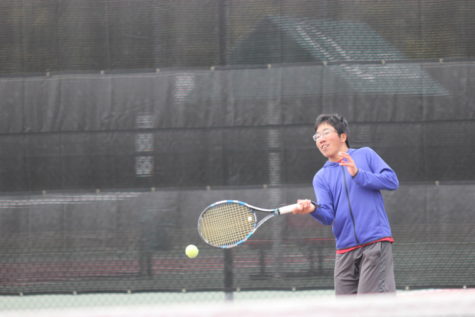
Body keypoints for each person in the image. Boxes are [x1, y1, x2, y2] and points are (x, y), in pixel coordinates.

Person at [292, 113, 399, 295]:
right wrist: (313, 208)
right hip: (345, 251)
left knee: (372, 308)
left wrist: (358, 174)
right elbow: (328, 216)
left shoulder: (366, 155)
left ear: (343, 136)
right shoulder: (321, 177)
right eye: (317, 136)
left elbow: (391, 181)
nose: (321, 140)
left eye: (326, 133)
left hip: (374, 244)